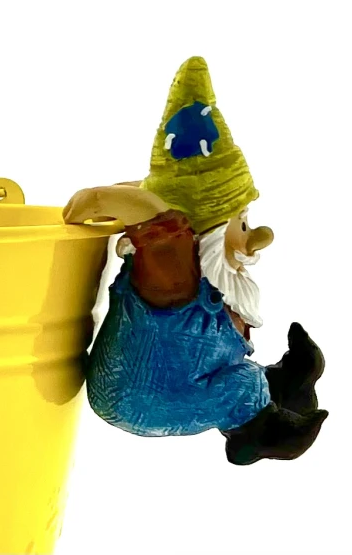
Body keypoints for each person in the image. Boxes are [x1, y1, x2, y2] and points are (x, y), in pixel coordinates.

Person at [63, 56, 328, 465]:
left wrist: (139, 193)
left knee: (241, 378)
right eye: (241, 223)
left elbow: (152, 207)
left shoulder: (208, 283)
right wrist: (98, 200)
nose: (257, 237)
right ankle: (261, 431)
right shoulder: (175, 276)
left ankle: (282, 388)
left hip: (177, 382)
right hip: (140, 399)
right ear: (205, 234)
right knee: (241, 386)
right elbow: (156, 223)